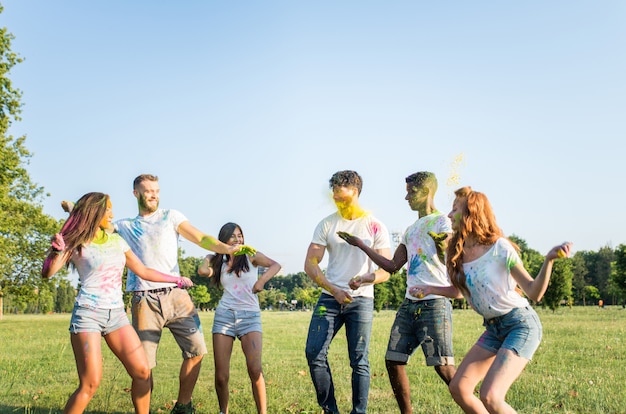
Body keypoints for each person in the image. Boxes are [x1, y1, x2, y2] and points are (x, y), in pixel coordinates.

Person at [412, 186, 572, 414]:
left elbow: (534, 292)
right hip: (494, 329)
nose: (448, 215)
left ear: (471, 214)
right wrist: (429, 288)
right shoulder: (457, 252)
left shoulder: (499, 247)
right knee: (459, 387)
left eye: (455, 209)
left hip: (520, 325)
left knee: (491, 396)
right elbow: (459, 292)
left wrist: (549, 260)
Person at [110, 174, 255, 414]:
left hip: (177, 296)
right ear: (136, 193)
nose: (153, 195)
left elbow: (199, 237)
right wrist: (74, 210)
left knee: (197, 350)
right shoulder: (125, 226)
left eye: (156, 190)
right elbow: (97, 225)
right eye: (148, 191)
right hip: (144, 299)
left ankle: (183, 405)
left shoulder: (171, 216)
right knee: (143, 366)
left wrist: (226, 248)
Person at [42, 192, 194, 414]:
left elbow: (143, 270)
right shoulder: (76, 242)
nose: (112, 213)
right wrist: (56, 252)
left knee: (142, 372)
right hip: (88, 315)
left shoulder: (117, 241)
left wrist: (175, 280)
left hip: (116, 316)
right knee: (90, 384)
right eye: (108, 209)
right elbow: (48, 273)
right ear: (95, 212)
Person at [338, 171, 456, 414]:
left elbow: (453, 257)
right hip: (409, 304)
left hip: (434, 302)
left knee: (443, 367)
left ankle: (476, 407)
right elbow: (392, 266)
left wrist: (443, 243)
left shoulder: (443, 222)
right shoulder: (411, 229)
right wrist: (361, 245)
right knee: (393, 360)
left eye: (411, 191)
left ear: (428, 192)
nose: (406, 197)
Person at [304, 170, 392, 414]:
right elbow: (310, 264)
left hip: (361, 300)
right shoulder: (327, 224)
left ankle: (358, 412)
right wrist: (333, 289)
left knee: (359, 360)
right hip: (329, 298)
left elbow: (387, 269)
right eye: (332, 190)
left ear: (354, 191)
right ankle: (330, 410)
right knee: (314, 353)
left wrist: (366, 278)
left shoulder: (375, 226)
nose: (334, 195)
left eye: (339, 190)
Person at [197, 222, 281, 414]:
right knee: (221, 376)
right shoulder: (221, 263)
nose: (238, 239)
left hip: (249, 316)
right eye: (233, 236)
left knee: (254, 369)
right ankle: (223, 411)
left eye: (240, 235)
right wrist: (209, 256)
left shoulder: (251, 256)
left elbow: (275, 265)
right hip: (224, 316)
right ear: (224, 240)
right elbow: (203, 271)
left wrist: (261, 281)